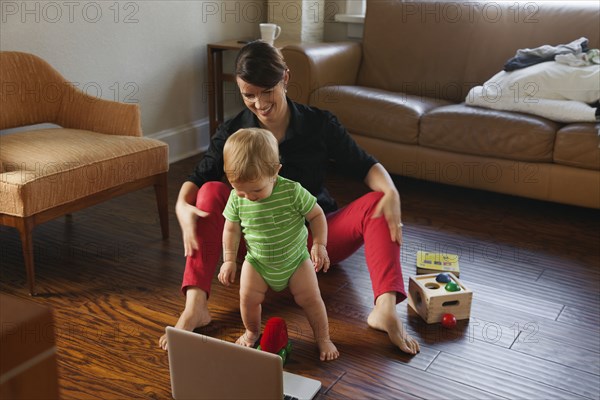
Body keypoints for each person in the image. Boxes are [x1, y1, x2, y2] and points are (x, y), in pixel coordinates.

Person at [159, 40, 420, 355]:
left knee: (380, 200)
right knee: (209, 192)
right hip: (256, 244)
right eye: (248, 95)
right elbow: (198, 177)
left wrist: (391, 191)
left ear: (285, 77)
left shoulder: (319, 124)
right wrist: (180, 206)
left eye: (266, 90)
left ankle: (386, 309)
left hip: (314, 242)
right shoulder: (233, 131)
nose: (259, 103)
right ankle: (196, 305)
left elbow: (364, 164)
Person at [218, 127, 339, 361]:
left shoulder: (292, 192)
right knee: (247, 298)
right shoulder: (237, 198)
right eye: (240, 190)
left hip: (295, 259)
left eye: (256, 189)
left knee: (311, 299)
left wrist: (319, 245)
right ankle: (252, 331)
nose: (248, 196)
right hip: (258, 261)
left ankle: (323, 338)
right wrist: (229, 260)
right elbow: (231, 229)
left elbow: (316, 215)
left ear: (275, 171)